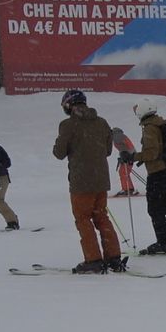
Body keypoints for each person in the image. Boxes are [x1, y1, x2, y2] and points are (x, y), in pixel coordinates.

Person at [52, 90, 123, 273]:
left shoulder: (68, 125)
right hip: (101, 180)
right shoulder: (101, 122)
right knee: (101, 216)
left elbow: (59, 153)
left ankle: (93, 259)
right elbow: (107, 150)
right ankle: (113, 256)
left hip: (81, 181)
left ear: (69, 105)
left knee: (83, 219)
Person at [121, 98, 166, 255]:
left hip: (157, 173)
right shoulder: (161, 124)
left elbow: (152, 152)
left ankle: (164, 242)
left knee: (155, 208)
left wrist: (133, 157)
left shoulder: (150, 128)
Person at [111, 127, 139, 196]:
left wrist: (128, 156)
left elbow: (127, 147)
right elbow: (127, 147)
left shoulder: (117, 137)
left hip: (128, 157)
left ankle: (127, 189)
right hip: (129, 156)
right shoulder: (122, 136)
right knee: (124, 172)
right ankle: (129, 188)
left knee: (123, 172)